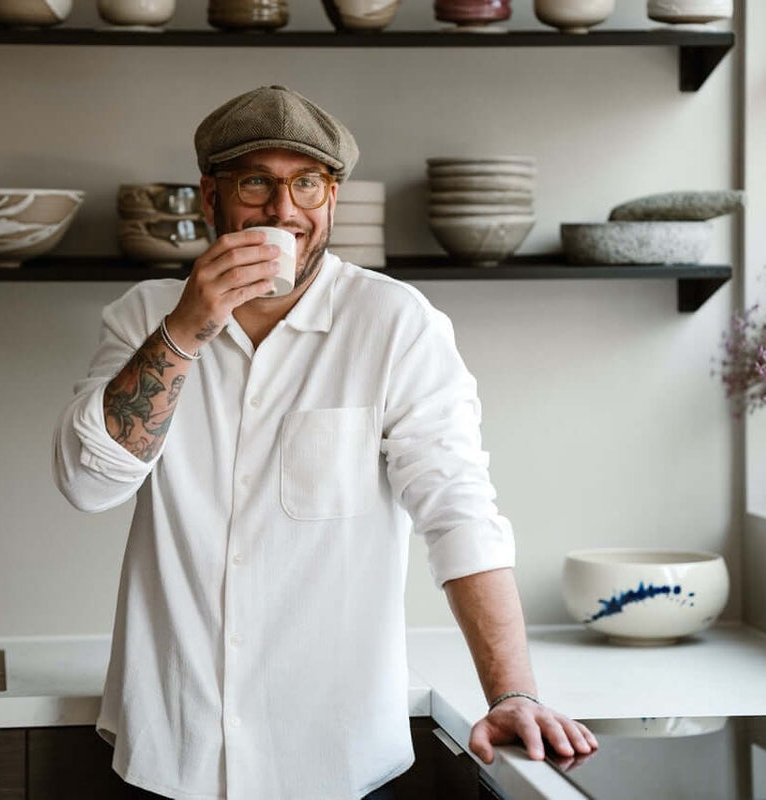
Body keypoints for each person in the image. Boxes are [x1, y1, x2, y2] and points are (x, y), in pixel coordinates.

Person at [52, 84, 597, 800]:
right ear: (211, 197)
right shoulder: (144, 317)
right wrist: (184, 330)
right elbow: (89, 483)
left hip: (334, 761)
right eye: (256, 182)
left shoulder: (395, 323)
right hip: (171, 750)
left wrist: (511, 692)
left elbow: (458, 510)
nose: (283, 210)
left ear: (332, 198)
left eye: (306, 183)